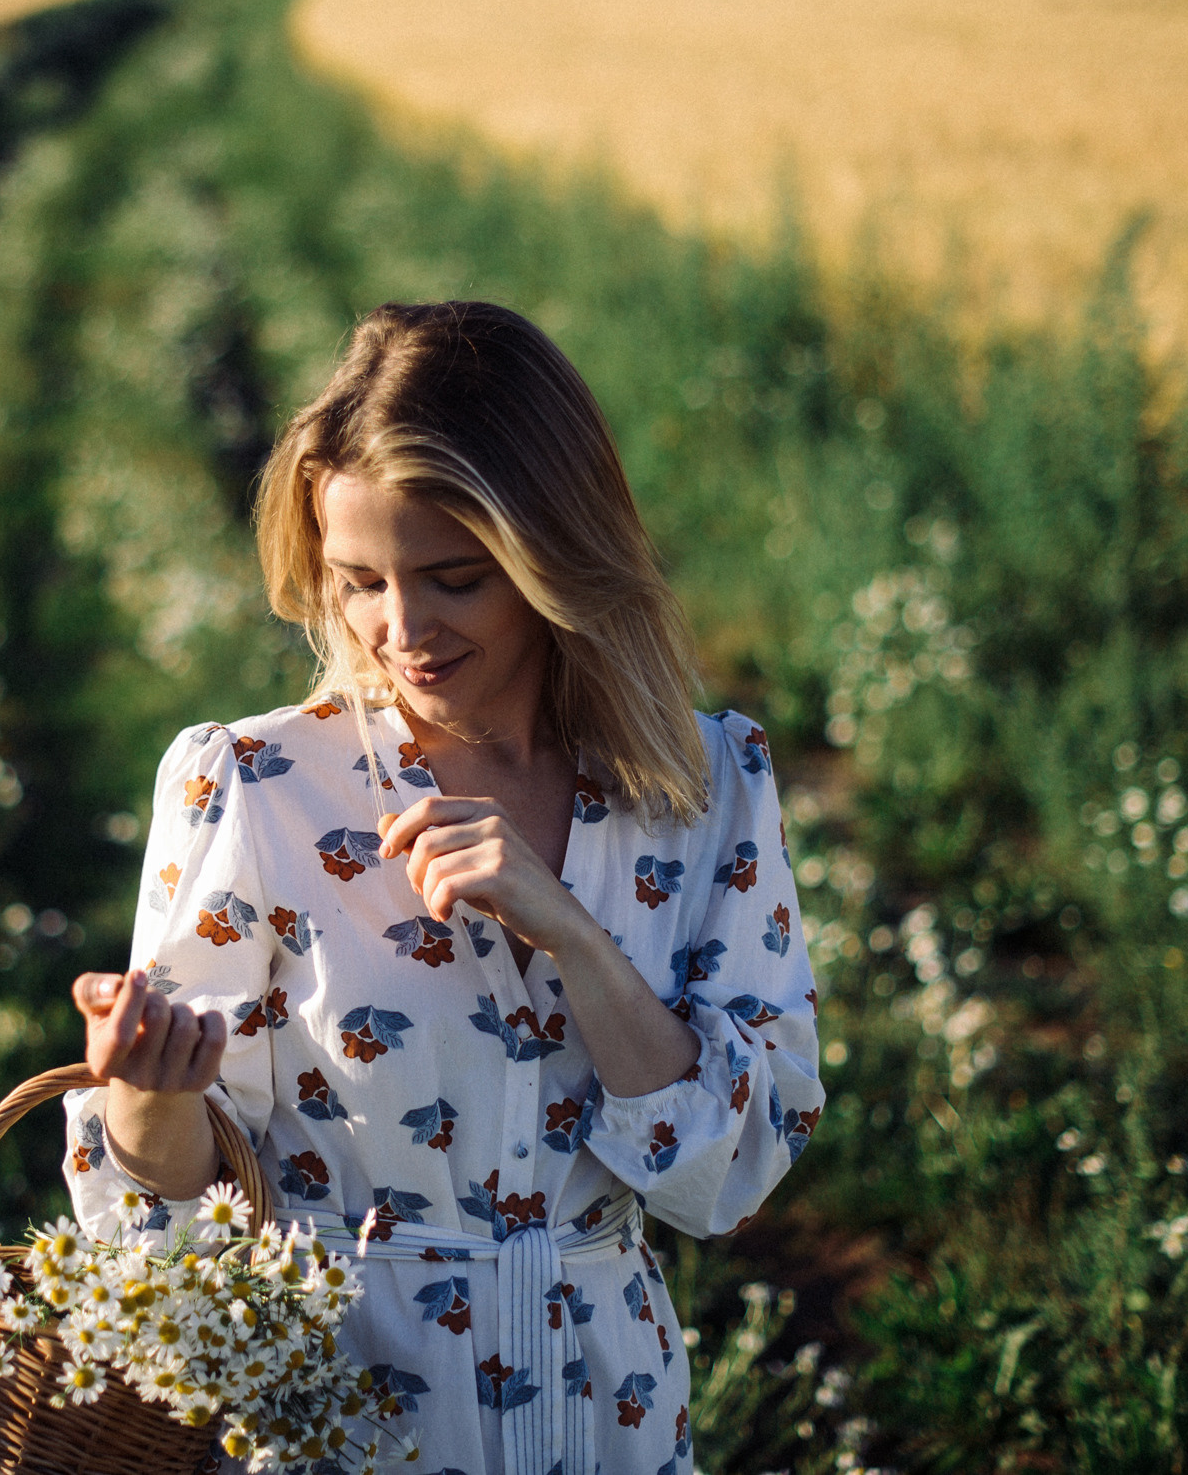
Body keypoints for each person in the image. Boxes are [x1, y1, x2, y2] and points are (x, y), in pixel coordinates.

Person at [63, 301, 823, 1475]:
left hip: (609, 1421)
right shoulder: (257, 785)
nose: (400, 629)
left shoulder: (704, 783)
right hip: (343, 1423)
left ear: (552, 554)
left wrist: (574, 934)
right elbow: (171, 1216)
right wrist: (145, 1095)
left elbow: (726, 1177)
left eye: (455, 578)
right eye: (358, 580)